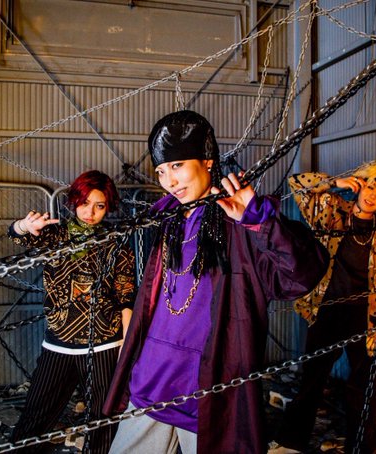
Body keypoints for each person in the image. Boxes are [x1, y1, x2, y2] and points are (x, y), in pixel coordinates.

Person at [102, 110, 329, 454]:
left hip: (210, 389)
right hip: (152, 379)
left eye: (177, 166)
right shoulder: (166, 220)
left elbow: (301, 275)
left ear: (207, 161)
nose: (169, 180)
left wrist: (259, 220)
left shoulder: (239, 217)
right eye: (161, 171)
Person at [269, 160, 376, 454]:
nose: (372, 195)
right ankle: (291, 441)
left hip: (365, 318)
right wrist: (335, 183)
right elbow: (297, 183)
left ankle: (361, 447)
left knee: (363, 386)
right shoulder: (332, 211)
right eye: (370, 186)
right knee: (313, 379)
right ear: (360, 184)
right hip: (327, 309)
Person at [8, 170, 135, 454]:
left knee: (104, 419)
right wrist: (24, 225)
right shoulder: (55, 235)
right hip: (59, 342)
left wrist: (126, 345)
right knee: (36, 414)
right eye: (85, 203)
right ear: (74, 201)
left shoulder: (115, 243)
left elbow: (125, 296)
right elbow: (16, 236)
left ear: (108, 207)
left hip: (105, 343)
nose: (90, 212)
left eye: (99, 205)